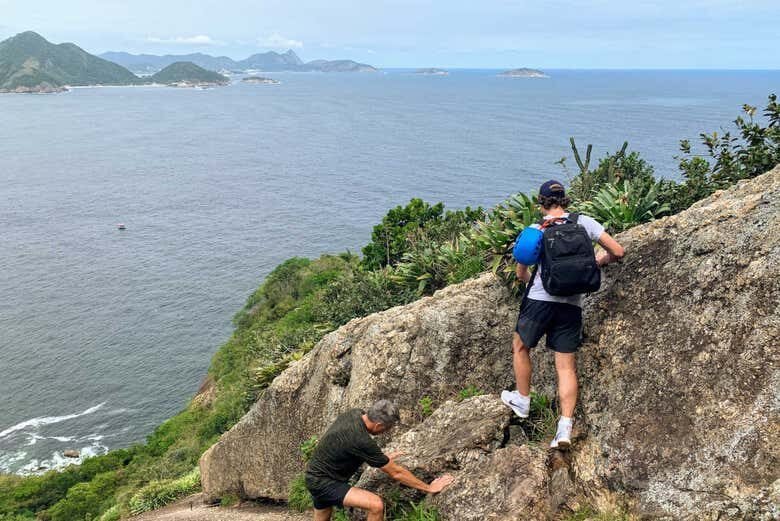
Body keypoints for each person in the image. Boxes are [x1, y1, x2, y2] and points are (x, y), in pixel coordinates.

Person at [501, 180, 625, 449]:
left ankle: (522, 400)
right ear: (565, 200)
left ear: (541, 202)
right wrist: (597, 261)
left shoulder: (536, 230)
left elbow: (522, 273)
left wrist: (526, 279)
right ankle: (564, 428)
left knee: (520, 346)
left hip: (540, 300)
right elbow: (617, 251)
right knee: (566, 366)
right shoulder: (585, 223)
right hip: (572, 303)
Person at [305, 399, 454, 521]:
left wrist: (380, 458)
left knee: (322, 515)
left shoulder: (354, 413)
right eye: (387, 428)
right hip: (324, 482)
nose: (386, 432)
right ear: (378, 425)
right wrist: (429, 488)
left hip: (314, 473)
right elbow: (396, 473)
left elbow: (345, 447)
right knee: (376, 505)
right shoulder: (361, 440)